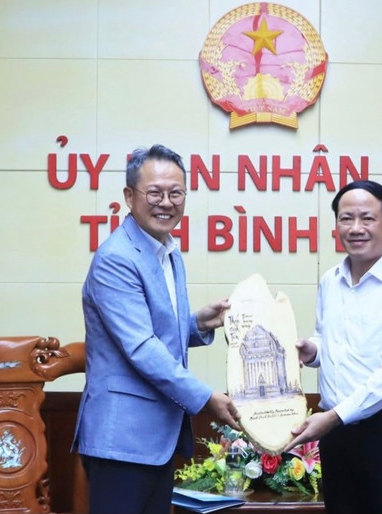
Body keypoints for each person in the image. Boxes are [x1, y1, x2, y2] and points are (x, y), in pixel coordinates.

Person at [72, 144, 240, 514]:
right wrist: (206, 399)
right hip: (122, 438)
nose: (166, 202)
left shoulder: (165, 249)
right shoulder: (117, 258)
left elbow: (154, 329)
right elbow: (141, 347)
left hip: (156, 437)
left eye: (175, 193)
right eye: (155, 192)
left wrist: (197, 324)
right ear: (129, 196)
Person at [285, 180, 382, 514]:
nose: (355, 228)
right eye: (345, 218)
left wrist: (335, 417)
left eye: (367, 219)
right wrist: (312, 350)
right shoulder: (330, 280)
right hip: (337, 435)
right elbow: (328, 339)